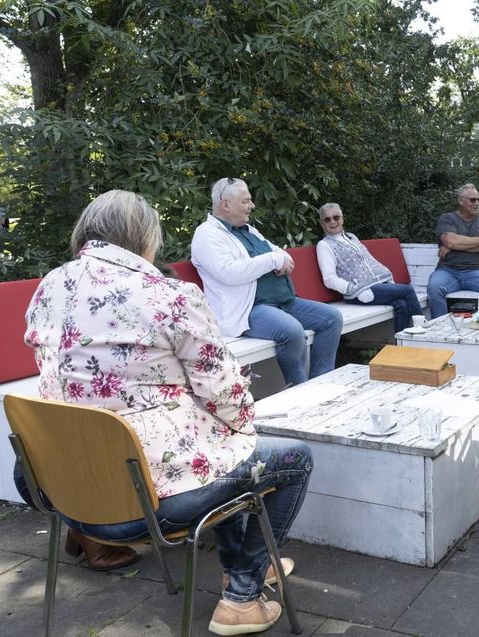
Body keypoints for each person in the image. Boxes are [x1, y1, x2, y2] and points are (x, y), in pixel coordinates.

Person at [23, 190, 312, 635]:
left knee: (224, 449)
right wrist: (240, 425)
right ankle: (241, 596)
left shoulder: (51, 285)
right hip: (149, 500)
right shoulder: (169, 295)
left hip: (65, 487)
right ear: (145, 238)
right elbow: (225, 394)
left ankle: (251, 564)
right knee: (286, 457)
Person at [191, 178, 343, 386]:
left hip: (284, 302)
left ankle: (321, 383)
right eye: (246, 201)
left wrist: (279, 259)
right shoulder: (206, 235)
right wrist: (272, 260)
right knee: (292, 331)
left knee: (332, 318)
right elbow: (229, 272)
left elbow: (280, 253)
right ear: (225, 204)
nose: (252, 206)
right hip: (249, 309)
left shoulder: (249, 230)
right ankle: (301, 389)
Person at [315, 202, 423, 332]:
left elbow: (368, 260)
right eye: (327, 219)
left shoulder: (351, 237)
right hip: (359, 293)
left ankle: (401, 346)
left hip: (374, 286)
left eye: (336, 217)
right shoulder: (324, 245)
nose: (333, 222)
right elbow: (329, 278)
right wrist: (353, 289)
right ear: (322, 223)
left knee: (401, 304)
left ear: (342, 218)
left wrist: (386, 278)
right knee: (407, 290)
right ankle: (422, 330)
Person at [426, 183, 479, 317]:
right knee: (434, 287)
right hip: (448, 271)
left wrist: (452, 246)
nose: (477, 203)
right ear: (460, 201)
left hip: (476, 272)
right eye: (472, 200)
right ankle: (440, 330)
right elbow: (452, 241)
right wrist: (477, 241)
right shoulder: (447, 218)